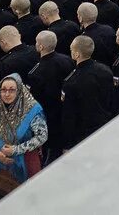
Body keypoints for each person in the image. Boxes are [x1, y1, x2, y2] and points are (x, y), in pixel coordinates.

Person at [0, 74, 48, 182]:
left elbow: (42, 136)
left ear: (19, 90)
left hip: (27, 164)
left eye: (12, 90)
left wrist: (16, 150)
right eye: (3, 90)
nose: (7, 94)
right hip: (1, 165)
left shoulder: (32, 109)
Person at [27, 30, 74, 164]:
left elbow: (35, 102)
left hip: (49, 117)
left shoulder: (35, 73)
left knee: (51, 152)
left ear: (41, 46)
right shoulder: (67, 60)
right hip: (66, 111)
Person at [61, 36, 114, 152]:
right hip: (106, 124)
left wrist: (67, 144)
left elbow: (69, 116)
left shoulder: (71, 82)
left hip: (84, 133)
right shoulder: (106, 70)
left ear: (76, 54)